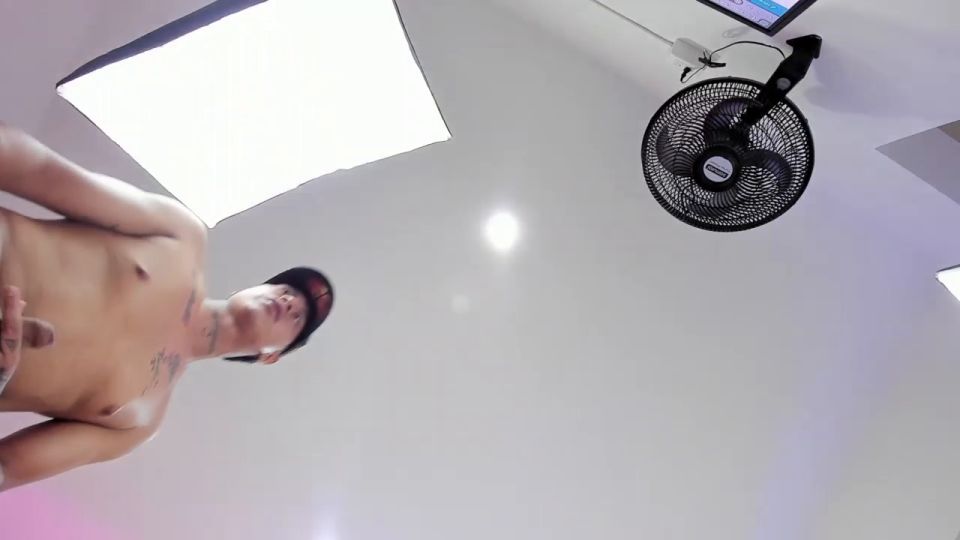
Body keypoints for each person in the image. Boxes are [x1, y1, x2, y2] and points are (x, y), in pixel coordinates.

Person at [0, 123, 334, 492]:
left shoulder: (140, 421)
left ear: (270, 357)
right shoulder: (181, 236)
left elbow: (8, 467)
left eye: (298, 317)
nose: (288, 301)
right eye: (286, 288)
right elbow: (42, 170)